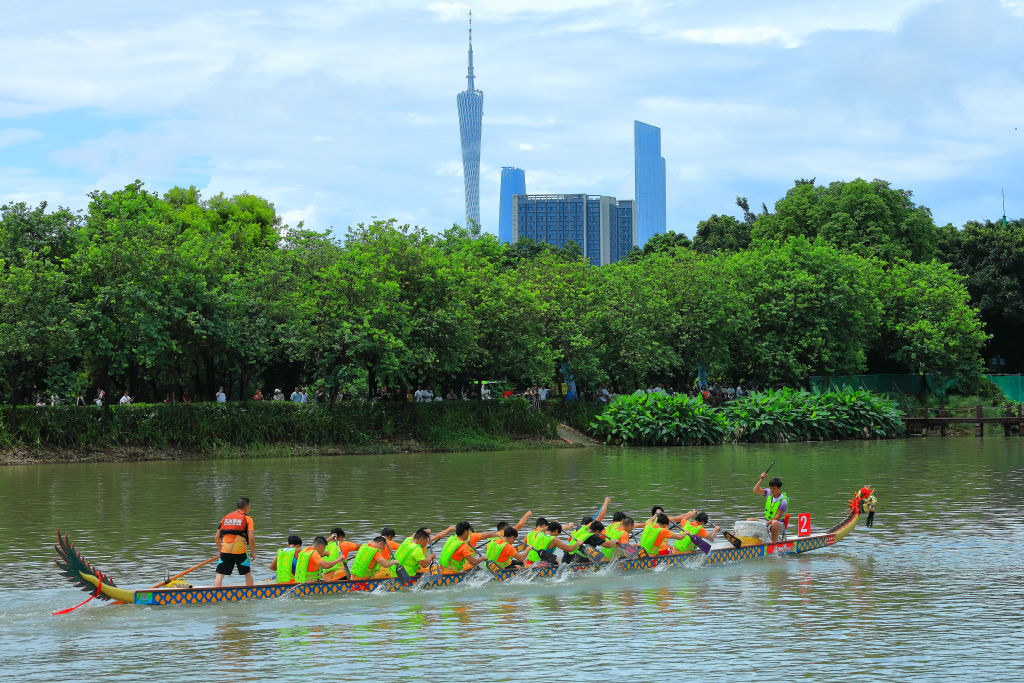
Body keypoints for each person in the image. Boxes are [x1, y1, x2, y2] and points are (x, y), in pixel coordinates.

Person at [214, 497, 255, 588]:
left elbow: (216, 537)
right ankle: (250, 593)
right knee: (247, 573)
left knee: (220, 574)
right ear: (246, 507)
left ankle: (216, 594)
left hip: (225, 550)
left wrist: (220, 551)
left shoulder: (225, 518)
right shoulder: (248, 519)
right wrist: (252, 552)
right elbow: (251, 538)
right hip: (240, 551)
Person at [752, 473, 789, 542]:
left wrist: (767, 523)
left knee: (774, 522)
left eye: (774, 488)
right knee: (750, 520)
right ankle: (752, 542)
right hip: (766, 521)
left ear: (779, 488)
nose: (772, 490)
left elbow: (778, 516)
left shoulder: (783, 500)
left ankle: (773, 544)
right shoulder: (768, 492)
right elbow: (755, 490)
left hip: (779, 524)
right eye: (771, 488)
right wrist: (761, 479)